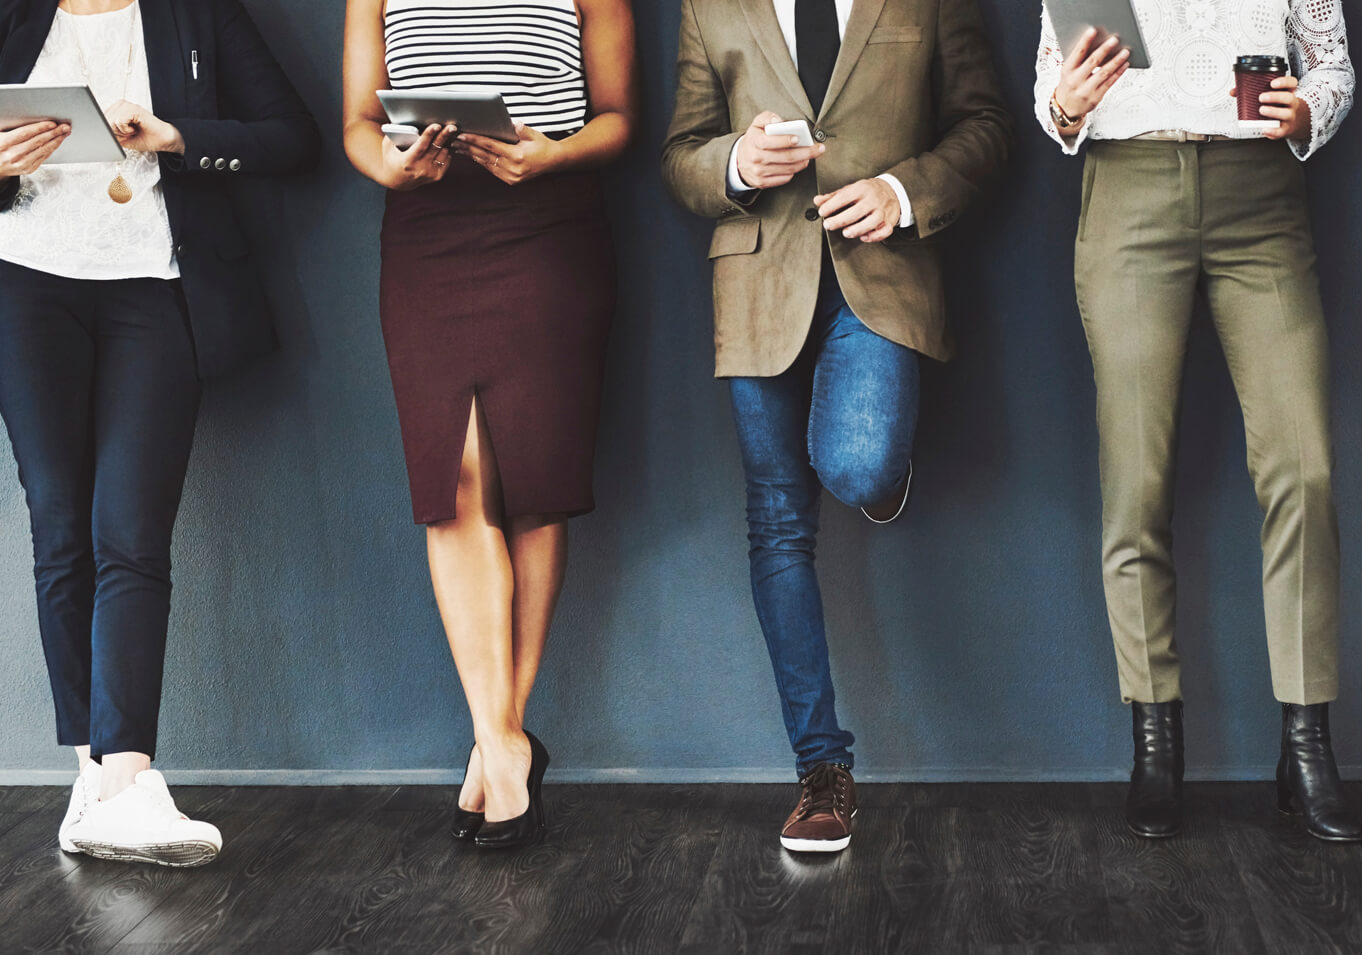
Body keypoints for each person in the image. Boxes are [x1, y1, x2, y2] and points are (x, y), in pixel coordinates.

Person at [662, 0, 1010, 853]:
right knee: (778, 522)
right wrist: (736, 163)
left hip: (882, 274)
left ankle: (886, 478)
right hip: (754, 282)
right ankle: (823, 772)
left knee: (857, 467)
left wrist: (903, 192)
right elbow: (681, 155)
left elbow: (987, 124)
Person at [1035, 1, 1362, 842]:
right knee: (1136, 481)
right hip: (1129, 193)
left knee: (1304, 466)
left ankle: (1307, 745)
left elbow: (1334, 67)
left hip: (1261, 197)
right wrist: (1067, 104)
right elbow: (1052, 95)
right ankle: (1155, 741)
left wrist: (1308, 112)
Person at [0, 0, 317, 866]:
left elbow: (293, 137)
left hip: (156, 286)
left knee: (131, 536)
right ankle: (98, 781)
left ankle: (127, 779)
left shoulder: (197, 13)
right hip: (24, 289)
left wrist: (175, 136)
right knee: (60, 525)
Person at [342, 0, 634, 849]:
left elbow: (617, 118)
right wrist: (390, 169)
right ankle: (504, 742)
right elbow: (360, 121)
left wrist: (551, 154)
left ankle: (498, 743)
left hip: (550, 225)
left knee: (534, 484)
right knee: (454, 484)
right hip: (427, 229)